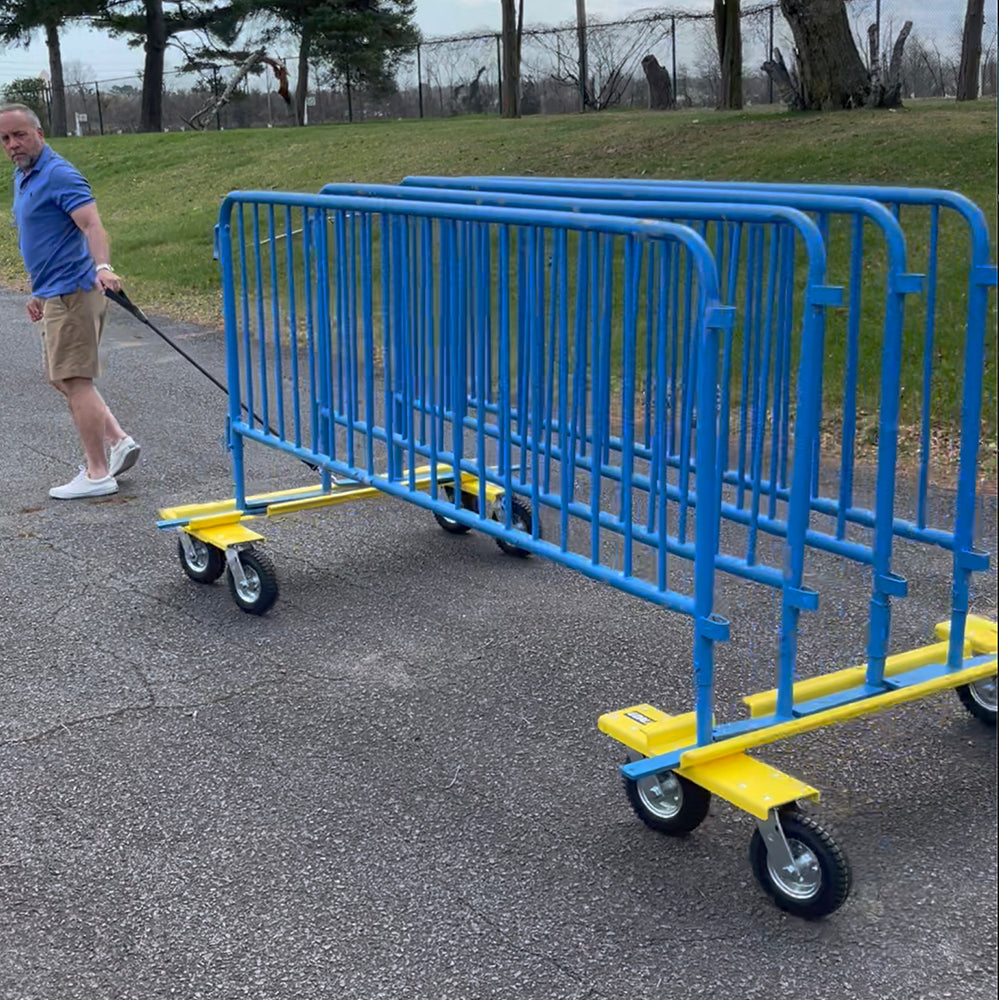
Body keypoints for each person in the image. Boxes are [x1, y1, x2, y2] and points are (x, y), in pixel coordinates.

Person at [0, 102, 140, 499]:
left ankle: (97, 473)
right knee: (61, 377)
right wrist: (38, 292)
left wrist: (104, 266)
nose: (12, 144)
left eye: (20, 135)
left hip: (76, 292)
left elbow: (92, 223)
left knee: (74, 379)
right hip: (54, 293)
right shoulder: (24, 176)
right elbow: (43, 240)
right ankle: (117, 439)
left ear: (39, 134)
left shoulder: (59, 174)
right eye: (5, 138)